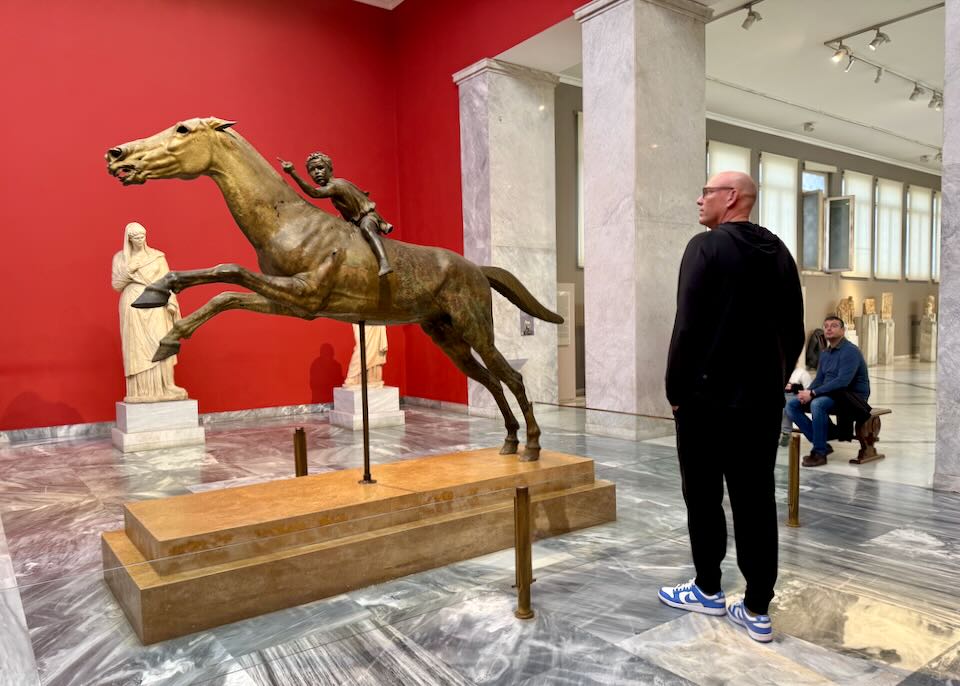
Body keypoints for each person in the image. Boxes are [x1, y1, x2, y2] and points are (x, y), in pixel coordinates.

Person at [660, 171, 804, 644]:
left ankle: (707, 589)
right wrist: (773, 379)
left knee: (703, 496)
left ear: (732, 198)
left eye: (706, 191)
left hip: (704, 402)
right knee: (756, 500)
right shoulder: (780, 253)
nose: (698, 199)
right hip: (760, 405)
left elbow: (688, 327)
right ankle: (758, 608)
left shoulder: (705, 248)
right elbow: (794, 329)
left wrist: (675, 391)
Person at [279, 152, 394, 276]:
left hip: (366, 217)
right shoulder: (333, 187)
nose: (317, 172)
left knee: (367, 229)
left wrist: (293, 173)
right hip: (353, 222)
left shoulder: (336, 185)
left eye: (320, 168)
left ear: (330, 169)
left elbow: (314, 193)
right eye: (312, 170)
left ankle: (384, 263)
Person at [111, 222, 188, 403]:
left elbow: (168, 280)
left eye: (142, 236)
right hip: (133, 303)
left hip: (156, 301)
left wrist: (171, 301)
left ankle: (166, 385)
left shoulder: (157, 257)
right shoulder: (121, 258)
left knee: (161, 340)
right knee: (137, 346)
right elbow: (116, 284)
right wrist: (129, 269)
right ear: (129, 239)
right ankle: (141, 391)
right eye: (136, 237)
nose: (140, 240)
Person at [785, 316, 870, 467]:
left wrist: (813, 394)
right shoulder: (825, 353)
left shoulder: (850, 351)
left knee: (817, 404)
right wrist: (807, 392)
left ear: (843, 331)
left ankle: (819, 453)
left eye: (834, 326)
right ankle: (823, 444)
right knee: (792, 405)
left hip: (851, 396)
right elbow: (819, 379)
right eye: (826, 326)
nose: (828, 328)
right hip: (833, 393)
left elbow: (842, 382)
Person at [343, 324, 388, 388]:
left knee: (374, 349)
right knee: (362, 348)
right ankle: (353, 376)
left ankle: (371, 377)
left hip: (374, 320)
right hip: (361, 321)